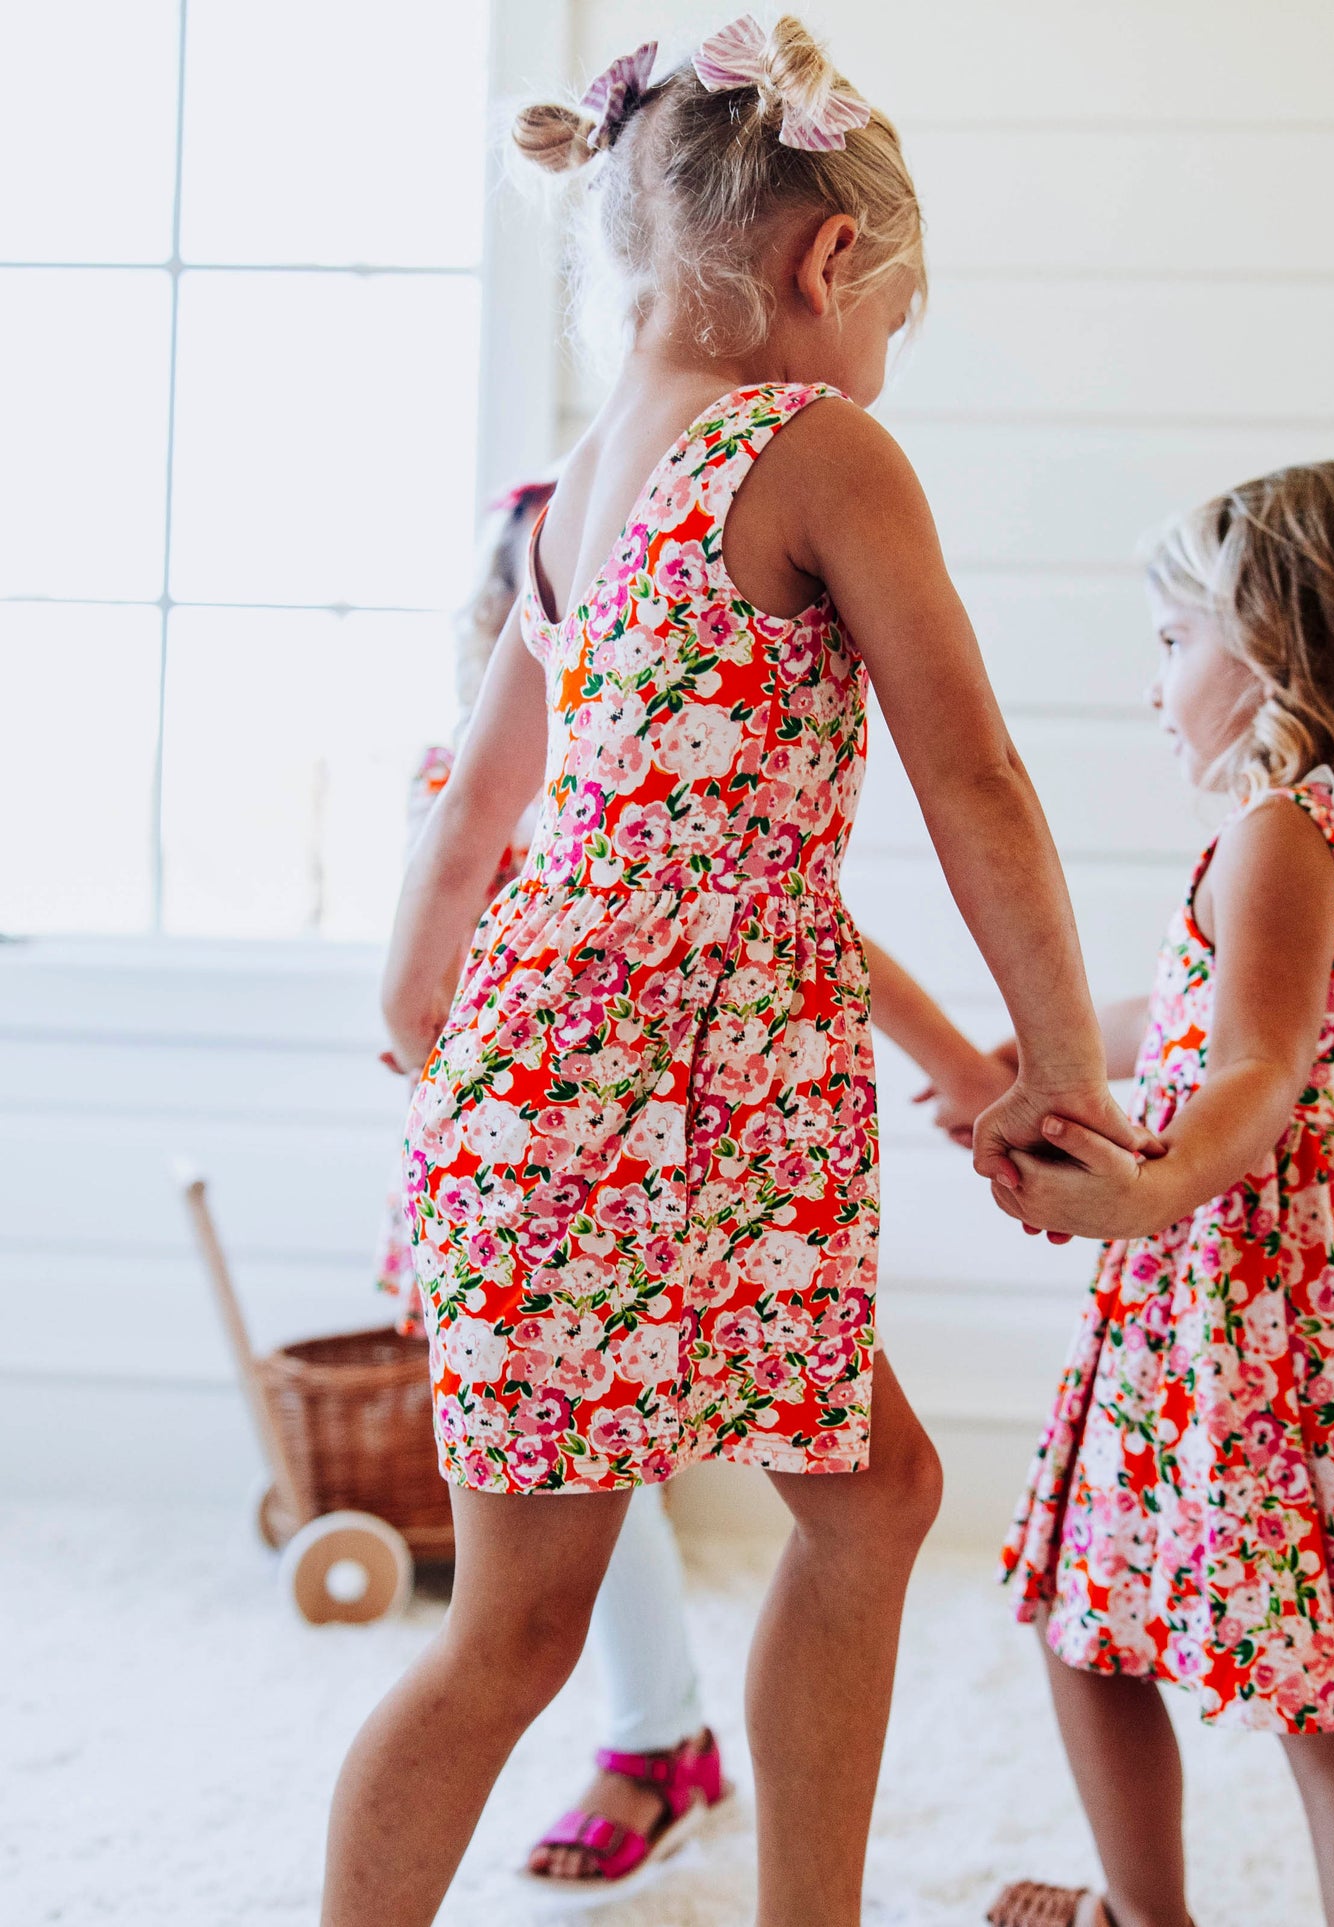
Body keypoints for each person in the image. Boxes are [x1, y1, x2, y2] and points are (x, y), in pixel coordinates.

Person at [323, 18, 1147, 1925]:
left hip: (590, 1105)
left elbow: (479, 838)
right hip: (681, 1128)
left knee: (863, 1502)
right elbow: (980, 783)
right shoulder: (814, 448)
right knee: (518, 1636)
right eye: (894, 319)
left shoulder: (562, 512)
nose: (885, 369)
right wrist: (1060, 1071)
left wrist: (428, 1023)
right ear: (825, 264)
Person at [374, 480, 1014, 1895]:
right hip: (577, 1168)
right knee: (520, 1618)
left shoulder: (679, 760)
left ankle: (672, 1753)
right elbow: (424, 990)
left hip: (689, 1166)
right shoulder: (545, 778)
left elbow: (800, 913)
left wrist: (973, 1067)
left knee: (868, 1492)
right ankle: (656, 1738)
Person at [986, 463, 1334, 1927]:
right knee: (1329, 1704)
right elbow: (1222, 1015)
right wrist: (1046, 1048)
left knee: (1083, 1627)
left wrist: (1151, 1185)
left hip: (1236, 1290)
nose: (1153, 686)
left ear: (1281, 645)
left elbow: (1251, 1067)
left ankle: (1144, 1916)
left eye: (1173, 642)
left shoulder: (1282, 832)